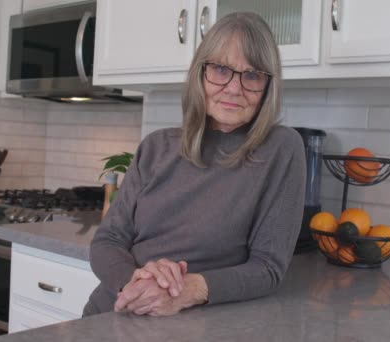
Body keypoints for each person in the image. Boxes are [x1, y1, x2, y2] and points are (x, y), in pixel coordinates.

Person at [83, 12, 306, 317]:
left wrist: (186, 290)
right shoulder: (155, 146)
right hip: (111, 312)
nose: (233, 88)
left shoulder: (281, 149)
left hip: (191, 325)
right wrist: (133, 282)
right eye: (220, 69)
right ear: (200, 74)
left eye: (252, 75)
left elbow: (267, 269)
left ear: (268, 86)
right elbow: (108, 240)